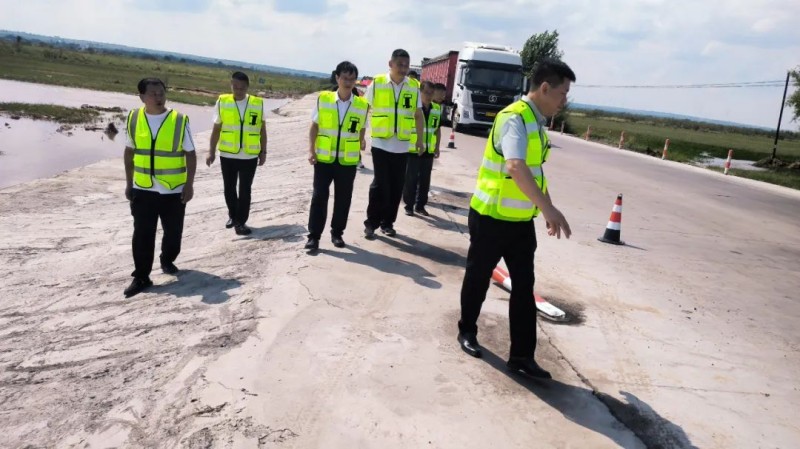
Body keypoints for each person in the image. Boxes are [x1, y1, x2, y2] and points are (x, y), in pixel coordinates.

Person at [457, 59, 575, 379]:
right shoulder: (514, 119)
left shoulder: (536, 122)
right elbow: (515, 167)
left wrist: (546, 207)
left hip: (521, 222)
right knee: (478, 278)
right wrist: (549, 209)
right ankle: (467, 330)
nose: (564, 100)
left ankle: (522, 356)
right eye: (562, 93)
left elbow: (534, 172)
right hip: (491, 216)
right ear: (545, 88)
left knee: (524, 286)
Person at [123, 78, 197, 298]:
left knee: (173, 233)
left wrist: (189, 185)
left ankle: (167, 259)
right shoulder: (134, 118)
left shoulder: (179, 120)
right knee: (142, 234)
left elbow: (190, 154)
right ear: (142, 97)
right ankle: (141, 276)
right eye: (153, 94)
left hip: (172, 190)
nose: (158, 97)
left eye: (161, 93)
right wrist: (129, 183)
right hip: (143, 188)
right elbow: (129, 152)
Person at [304, 61, 368, 251]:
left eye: (352, 79)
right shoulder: (324, 99)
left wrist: (361, 141)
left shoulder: (362, 104)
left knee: (343, 199)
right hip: (324, 159)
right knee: (319, 197)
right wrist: (311, 150)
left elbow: (362, 127)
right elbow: (314, 126)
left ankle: (337, 233)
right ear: (337, 78)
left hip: (347, 161)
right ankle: (314, 236)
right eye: (345, 78)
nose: (348, 82)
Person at [363, 49, 425, 239]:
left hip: (402, 146)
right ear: (390, 64)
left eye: (406, 65)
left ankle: (388, 223)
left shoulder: (413, 86)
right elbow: (364, 109)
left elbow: (418, 115)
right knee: (381, 185)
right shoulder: (377, 83)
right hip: (381, 143)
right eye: (400, 65)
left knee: (397, 186)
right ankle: (371, 223)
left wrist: (420, 140)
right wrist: (361, 135)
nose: (403, 68)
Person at [206, 71, 267, 236]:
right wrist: (211, 151)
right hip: (228, 154)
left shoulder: (257, 104)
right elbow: (216, 129)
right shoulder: (222, 102)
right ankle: (233, 216)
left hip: (249, 155)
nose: (238, 90)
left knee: (245, 190)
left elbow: (262, 130)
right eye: (235, 87)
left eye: (242, 88)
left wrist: (263, 151)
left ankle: (241, 222)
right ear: (231, 85)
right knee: (229, 188)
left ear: (247, 87)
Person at [403, 81, 441, 217]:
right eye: (426, 93)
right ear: (420, 92)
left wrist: (437, 147)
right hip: (413, 150)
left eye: (431, 93)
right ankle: (408, 206)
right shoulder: (413, 107)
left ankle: (420, 206)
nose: (429, 96)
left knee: (425, 181)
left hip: (428, 151)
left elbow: (437, 130)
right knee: (411, 180)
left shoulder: (436, 108)